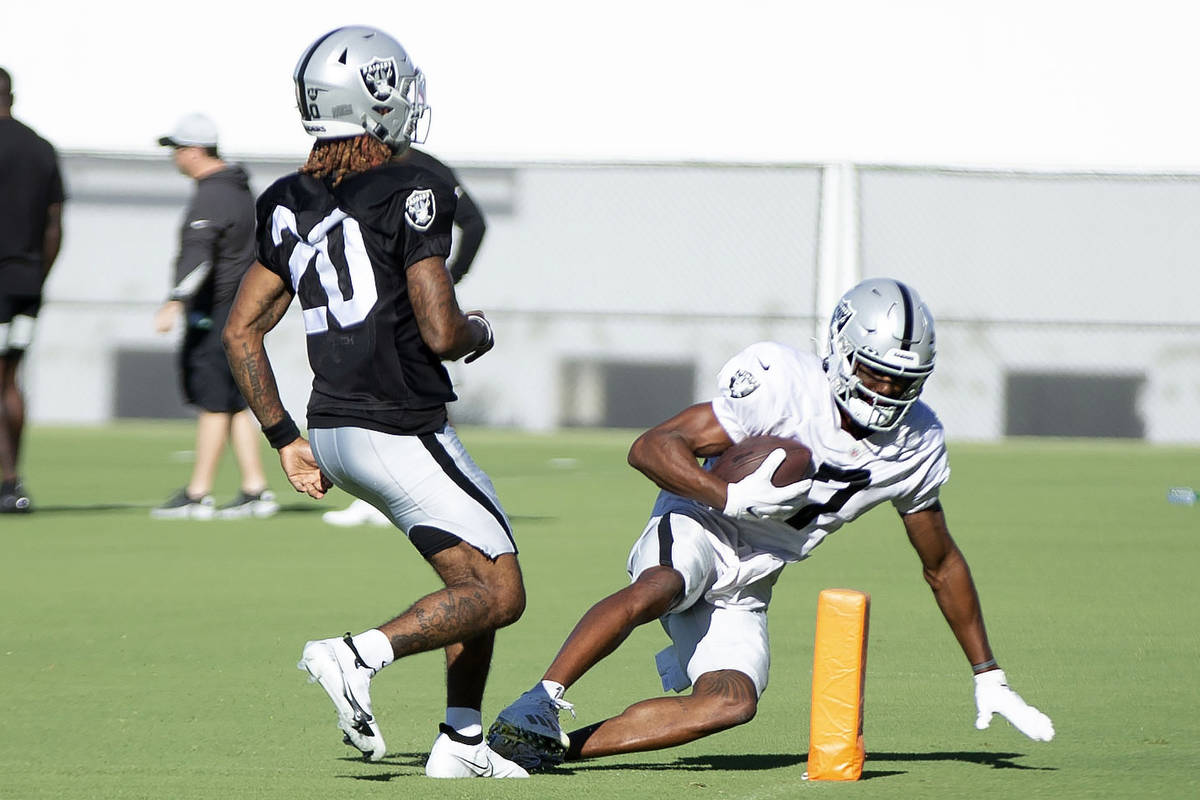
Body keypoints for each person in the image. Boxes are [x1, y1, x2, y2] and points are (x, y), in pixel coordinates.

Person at [487, 278, 1055, 769]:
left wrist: (988, 673)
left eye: (901, 382)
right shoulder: (783, 381)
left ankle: (550, 748)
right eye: (874, 373)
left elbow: (941, 562)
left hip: (755, 574)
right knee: (664, 584)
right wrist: (727, 495)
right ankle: (541, 697)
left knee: (733, 700)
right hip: (699, 524)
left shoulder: (916, 443)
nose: (885, 393)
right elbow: (650, 447)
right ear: (840, 348)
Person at [222, 26, 527, 779]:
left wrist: (284, 436)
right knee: (501, 590)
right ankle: (356, 655)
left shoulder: (286, 199)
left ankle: (461, 742)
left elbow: (241, 332)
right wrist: (479, 331)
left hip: (332, 428)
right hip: (398, 423)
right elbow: (441, 329)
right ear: (375, 102)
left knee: (474, 577)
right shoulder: (414, 187)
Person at [322, 145, 487, 529]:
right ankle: (424, 487)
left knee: (391, 383)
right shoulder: (420, 167)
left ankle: (403, 491)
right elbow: (475, 224)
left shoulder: (420, 170)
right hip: (406, 293)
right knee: (405, 384)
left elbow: (475, 223)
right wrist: (448, 277)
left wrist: (450, 276)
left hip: (392, 296)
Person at [150, 113, 277, 520]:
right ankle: (255, 489)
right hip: (240, 308)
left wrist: (175, 301)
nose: (174, 158)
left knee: (214, 401)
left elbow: (199, 256)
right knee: (235, 400)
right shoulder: (237, 188)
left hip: (219, 310)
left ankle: (198, 493)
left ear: (193, 151)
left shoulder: (213, 194)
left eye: (177, 150)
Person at [0, 66, 64, 514]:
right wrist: (38, 277)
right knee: (10, 381)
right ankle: (12, 479)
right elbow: (55, 224)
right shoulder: (41, 149)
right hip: (27, 284)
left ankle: (7, 485)